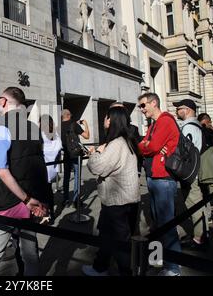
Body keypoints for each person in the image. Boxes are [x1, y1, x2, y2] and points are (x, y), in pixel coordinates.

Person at [0, 87, 49, 276]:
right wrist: (38, 200)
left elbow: (2, 172)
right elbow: (39, 165)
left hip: (8, 201)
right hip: (31, 199)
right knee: (30, 253)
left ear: (3, 102)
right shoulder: (33, 127)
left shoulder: (0, 127)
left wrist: (26, 200)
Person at [82, 106, 140, 276]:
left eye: (106, 117)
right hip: (123, 199)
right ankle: (100, 267)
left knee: (120, 242)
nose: (104, 120)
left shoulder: (117, 144)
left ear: (112, 120)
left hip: (118, 201)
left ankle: (126, 272)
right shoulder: (126, 140)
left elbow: (98, 167)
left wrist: (94, 154)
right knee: (107, 235)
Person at [137, 93, 181, 276]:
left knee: (166, 224)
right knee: (157, 222)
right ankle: (160, 259)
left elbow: (152, 147)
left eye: (143, 105)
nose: (141, 109)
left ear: (154, 103)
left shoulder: (165, 121)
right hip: (154, 177)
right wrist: (147, 144)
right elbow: (145, 144)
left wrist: (146, 145)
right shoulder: (154, 123)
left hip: (163, 178)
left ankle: (173, 268)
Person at [171, 99, 207, 250]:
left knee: (195, 204)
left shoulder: (189, 128)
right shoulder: (194, 126)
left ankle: (199, 238)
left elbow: (185, 152)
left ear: (187, 110)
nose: (177, 111)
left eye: (179, 109)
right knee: (194, 203)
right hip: (194, 170)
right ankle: (201, 235)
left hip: (190, 172)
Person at [61, 109, 90, 207]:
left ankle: (65, 200)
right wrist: (85, 123)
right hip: (76, 154)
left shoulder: (58, 127)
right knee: (77, 176)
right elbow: (87, 136)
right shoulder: (74, 125)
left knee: (66, 177)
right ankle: (76, 201)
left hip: (66, 155)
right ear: (69, 115)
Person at [109, 102, 143, 177]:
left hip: (130, 171)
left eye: (122, 110)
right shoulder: (109, 130)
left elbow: (139, 150)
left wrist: (138, 170)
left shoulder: (133, 129)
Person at [39, 114, 63, 222]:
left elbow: (39, 149)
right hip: (52, 167)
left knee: (43, 192)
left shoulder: (41, 135)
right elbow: (59, 147)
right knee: (48, 191)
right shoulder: (55, 134)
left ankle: (45, 215)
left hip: (43, 166)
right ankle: (51, 214)